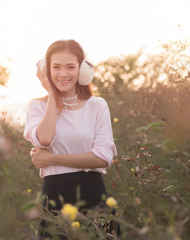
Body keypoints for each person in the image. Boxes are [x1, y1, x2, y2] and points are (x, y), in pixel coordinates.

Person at [23, 39, 119, 238]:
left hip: (93, 196)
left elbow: (102, 158)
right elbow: (45, 139)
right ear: (46, 71)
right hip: (54, 199)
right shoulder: (37, 107)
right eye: (56, 67)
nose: (63, 74)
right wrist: (51, 94)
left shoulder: (97, 105)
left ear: (82, 70)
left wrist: (51, 159)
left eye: (70, 67)